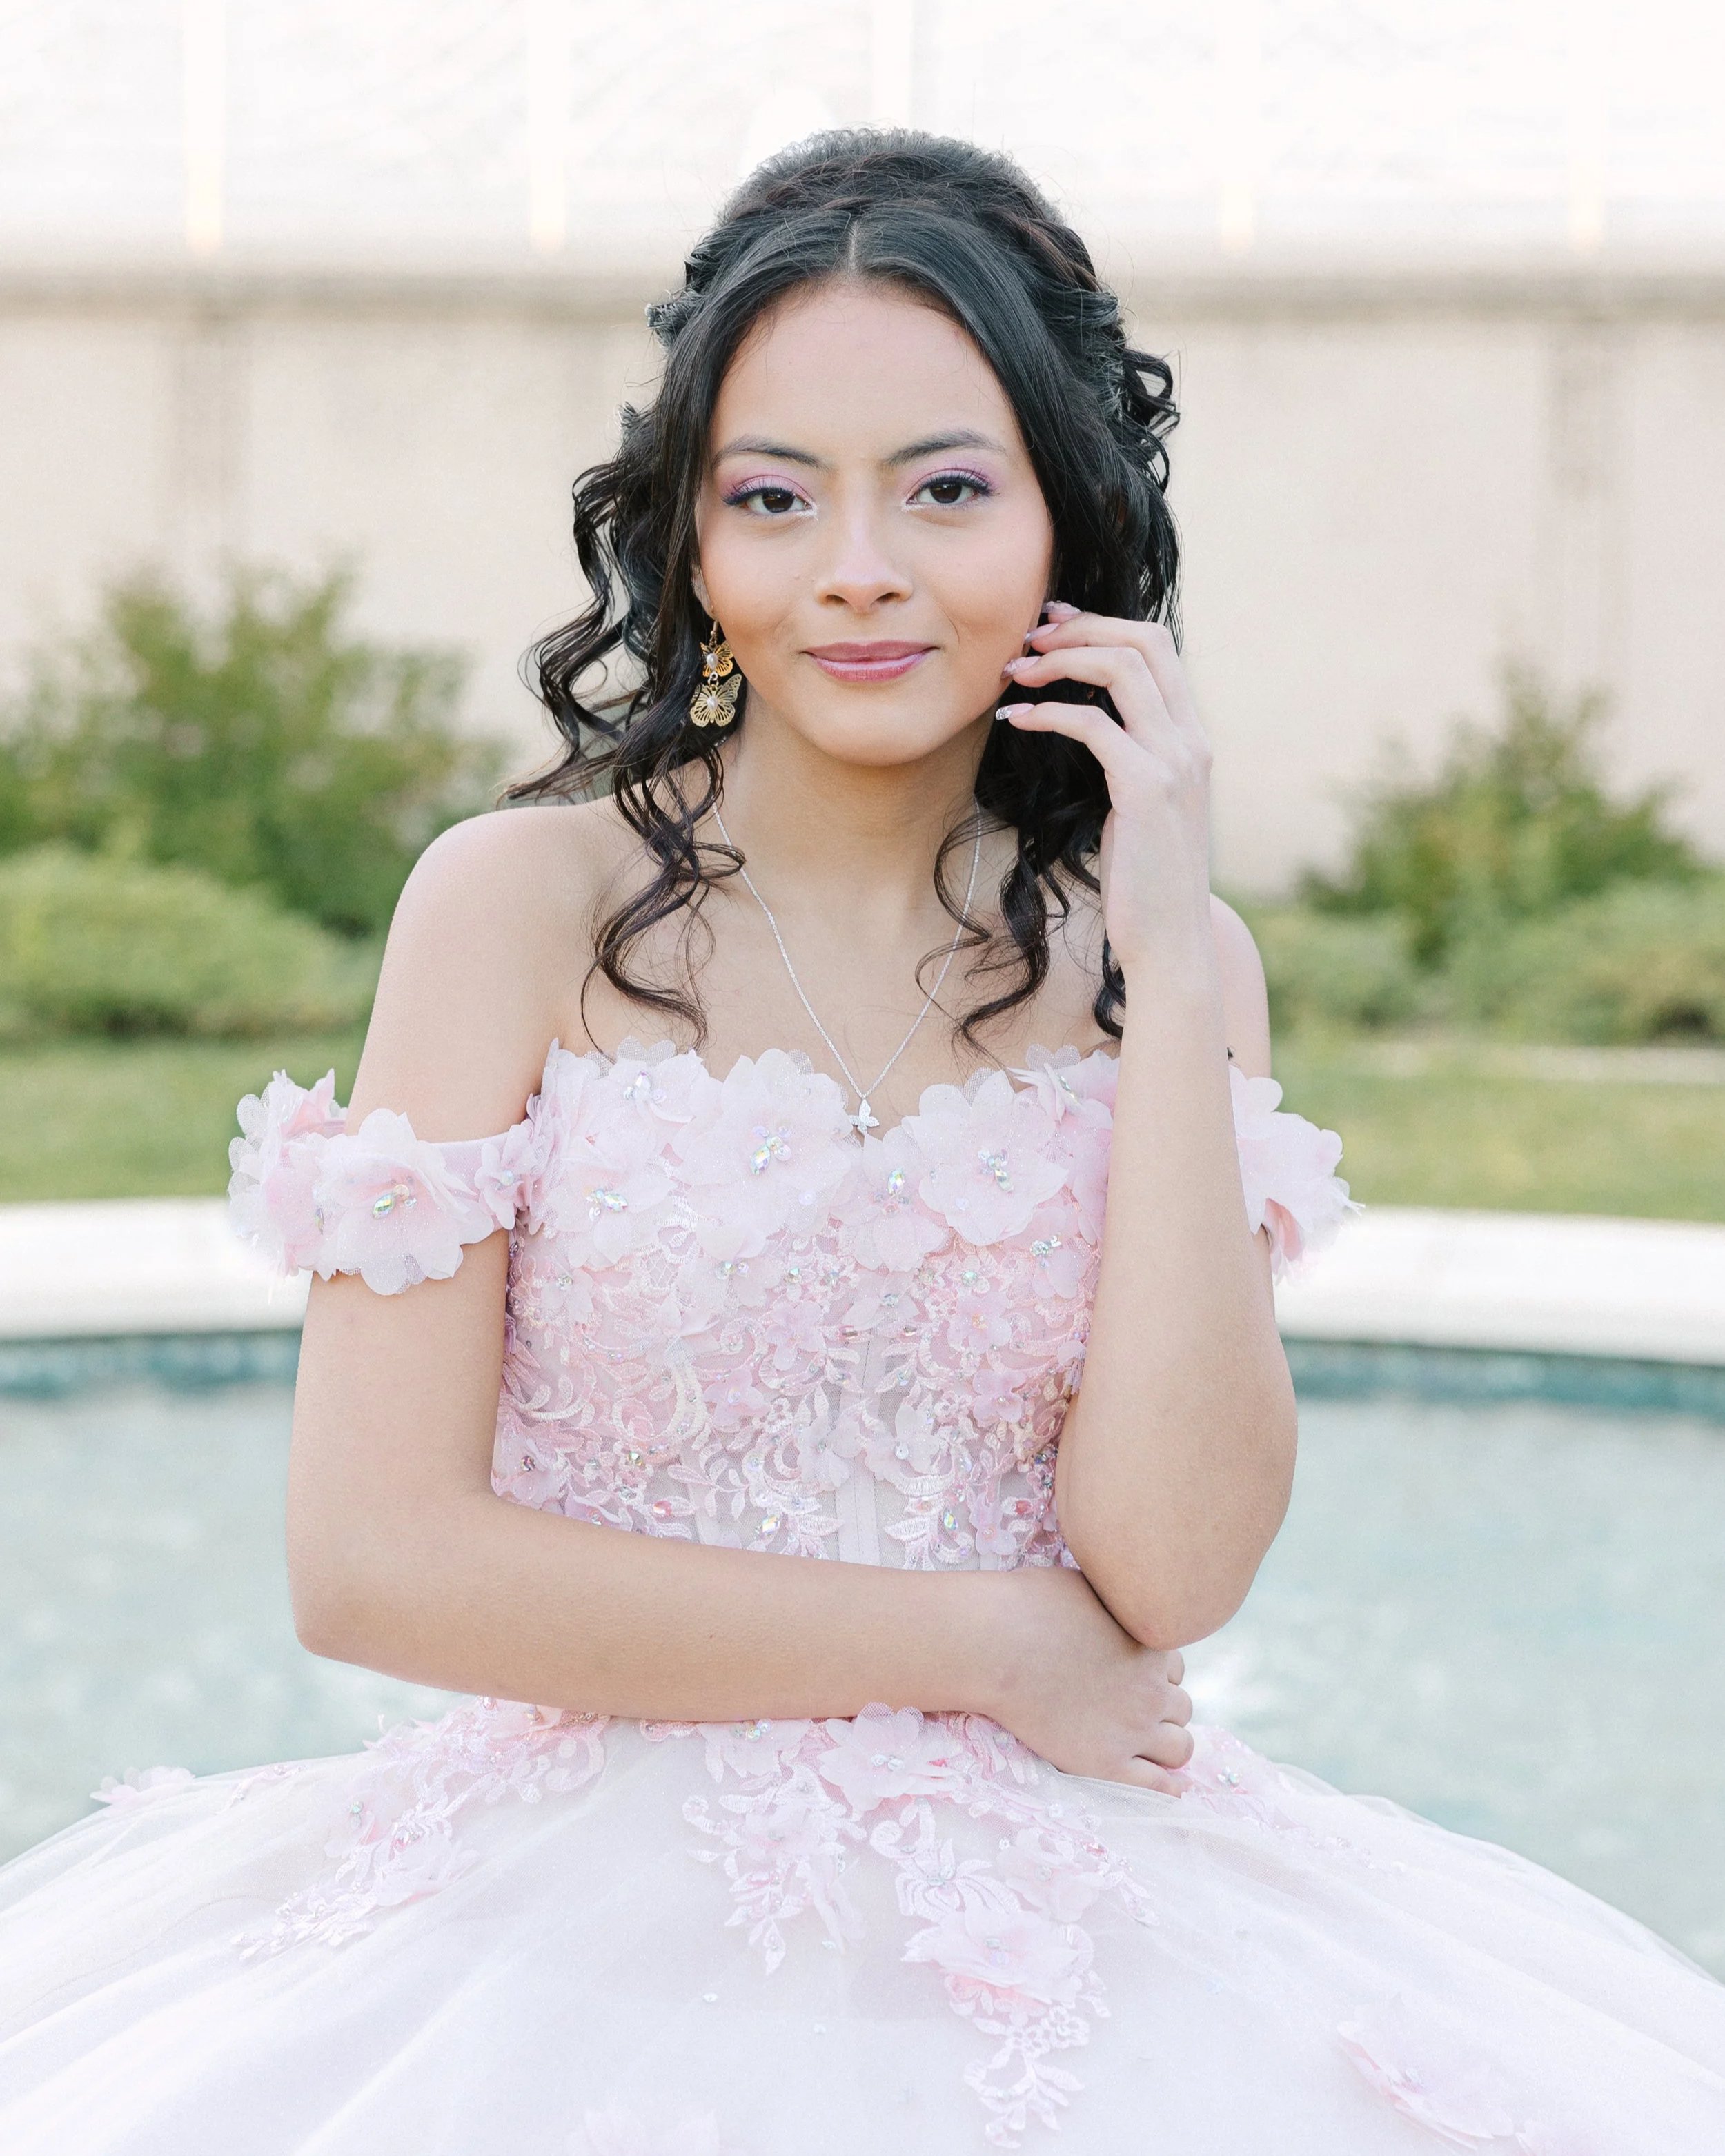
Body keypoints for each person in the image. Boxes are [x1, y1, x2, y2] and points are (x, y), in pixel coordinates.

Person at [1, 131, 1721, 2156]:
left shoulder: (1172, 960)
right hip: (568, 1932)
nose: (858, 570)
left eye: (944, 488)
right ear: (694, 543)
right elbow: (370, 1559)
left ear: (1065, 513)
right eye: (773, 497)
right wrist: (980, 1644)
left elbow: (1169, 1567)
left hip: (1086, 1922)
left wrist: (1168, 946)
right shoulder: (514, 907)